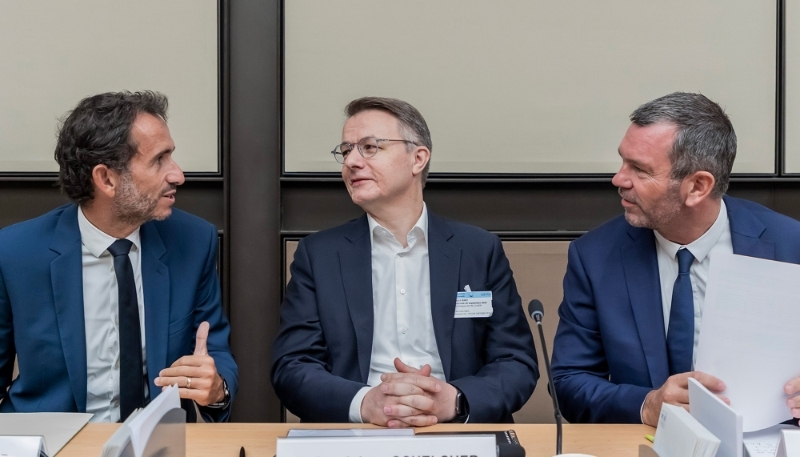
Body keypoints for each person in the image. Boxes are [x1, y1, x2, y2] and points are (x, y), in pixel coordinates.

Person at [271, 96, 538, 427]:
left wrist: (454, 399)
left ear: (418, 158)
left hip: (456, 432)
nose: (352, 161)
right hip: (355, 434)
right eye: (346, 150)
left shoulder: (477, 251)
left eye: (369, 147)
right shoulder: (319, 255)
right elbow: (293, 366)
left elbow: (515, 362)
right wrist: (365, 402)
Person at [551, 92, 800, 425]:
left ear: (697, 186)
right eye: (623, 161)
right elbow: (569, 382)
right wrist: (647, 404)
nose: (619, 179)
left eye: (639, 169)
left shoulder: (789, 247)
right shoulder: (595, 257)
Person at [0, 91, 237, 422]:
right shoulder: (15, 253)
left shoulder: (193, 242)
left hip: (156, 443)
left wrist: (216, 389)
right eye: (159, 160)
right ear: (106, 179)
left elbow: (214, 352)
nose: (178, 175)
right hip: (54, 443)